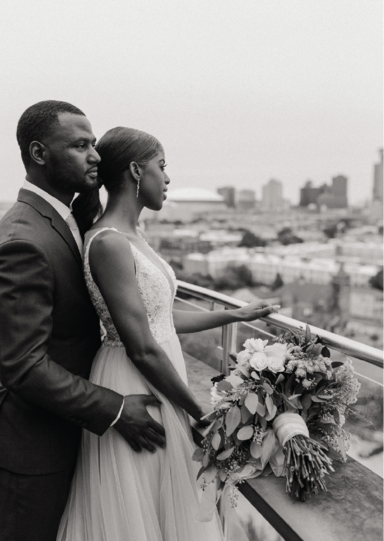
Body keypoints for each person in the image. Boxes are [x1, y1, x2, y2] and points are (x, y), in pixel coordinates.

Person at [57, 126, 280, 541]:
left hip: (162, 376)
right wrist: (201, 413)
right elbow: (141, 345)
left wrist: (233, 315)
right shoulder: (109, 243)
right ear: (137, 171)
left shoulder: (133, 237)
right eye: (163, 167)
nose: (168, 178)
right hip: (137, 378)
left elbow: (158, 319)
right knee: (137, 507)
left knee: (163, 507)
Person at [0, 102, 166, 541]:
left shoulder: (66, 218)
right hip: (33, 446)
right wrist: (117, 408)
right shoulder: (21, 241)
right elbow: (22, 366)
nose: (96, 156)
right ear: (40, 153)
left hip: (68, 430)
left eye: (94, 144)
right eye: (81, 145)